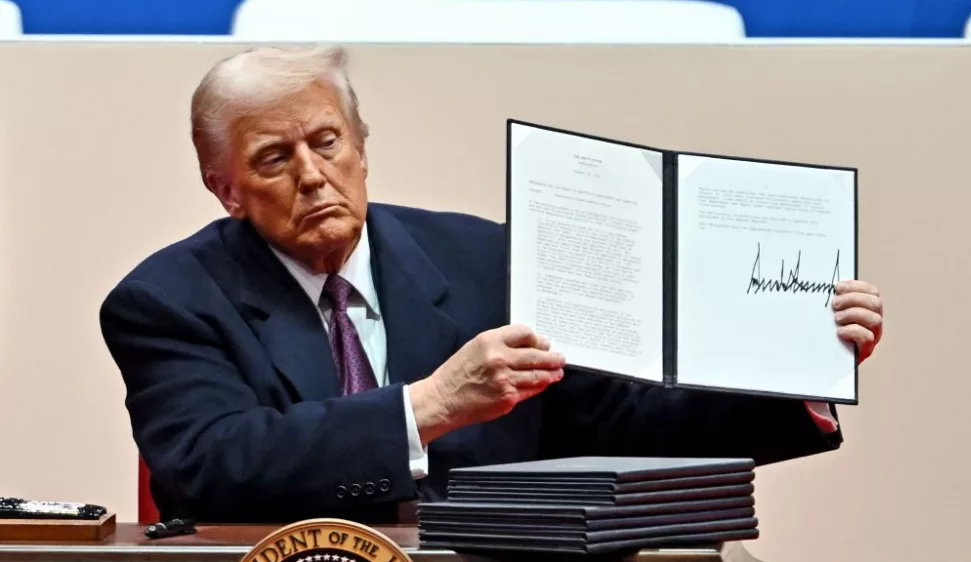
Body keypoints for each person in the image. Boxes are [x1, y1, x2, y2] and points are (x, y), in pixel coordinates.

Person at [99, 46, 885, 525]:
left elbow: (623, 416)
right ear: (225, 188)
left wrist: (802, 372)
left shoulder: (489, 260)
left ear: (362, 149)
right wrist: (430, 406)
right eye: (274, 158)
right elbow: (209, 461)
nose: (312, 175)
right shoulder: (166, 300)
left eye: (328, 141)